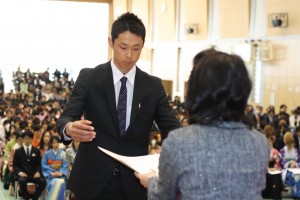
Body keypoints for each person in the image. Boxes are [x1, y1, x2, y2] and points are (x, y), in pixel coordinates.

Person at [57, 12, 181, 200]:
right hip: (91, 180)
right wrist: (70, 128)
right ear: (111, 42)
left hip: (135, 183)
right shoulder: (90, 78)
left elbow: (172, 129)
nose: (129, 55)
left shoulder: (153, 86)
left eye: (136, 48)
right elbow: (66, 118)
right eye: (123, 47)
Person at [135, 49, 270, 199]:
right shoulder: (259, 142)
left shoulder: (179, 142)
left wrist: (151, 181)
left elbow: (163, 197)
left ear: (197, 90)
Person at [13, 130, 46, 200]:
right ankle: (26, 198)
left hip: (33, 174)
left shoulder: (36, 151)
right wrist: (20, 172)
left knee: (43, 181)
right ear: (23, 139)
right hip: (22, 175)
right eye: (26, 138)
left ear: (32, 139)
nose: (28, 140)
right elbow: (15, 165)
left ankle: (34, 198)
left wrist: (38, 172)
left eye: (30, 139)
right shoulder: (18, 151)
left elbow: (39, 164)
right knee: (22, 181)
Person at [41, 135, 68, 200]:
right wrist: (51, 173)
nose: (56, 144)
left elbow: (65, 165)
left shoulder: (63, 153)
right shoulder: (46, 154)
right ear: (51, 144)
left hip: (60, 176)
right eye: (54, 143)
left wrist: (61, 173)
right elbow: (44, 165)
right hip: (51, 176)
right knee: (54, 183)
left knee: (61, 182)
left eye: (57, 142)